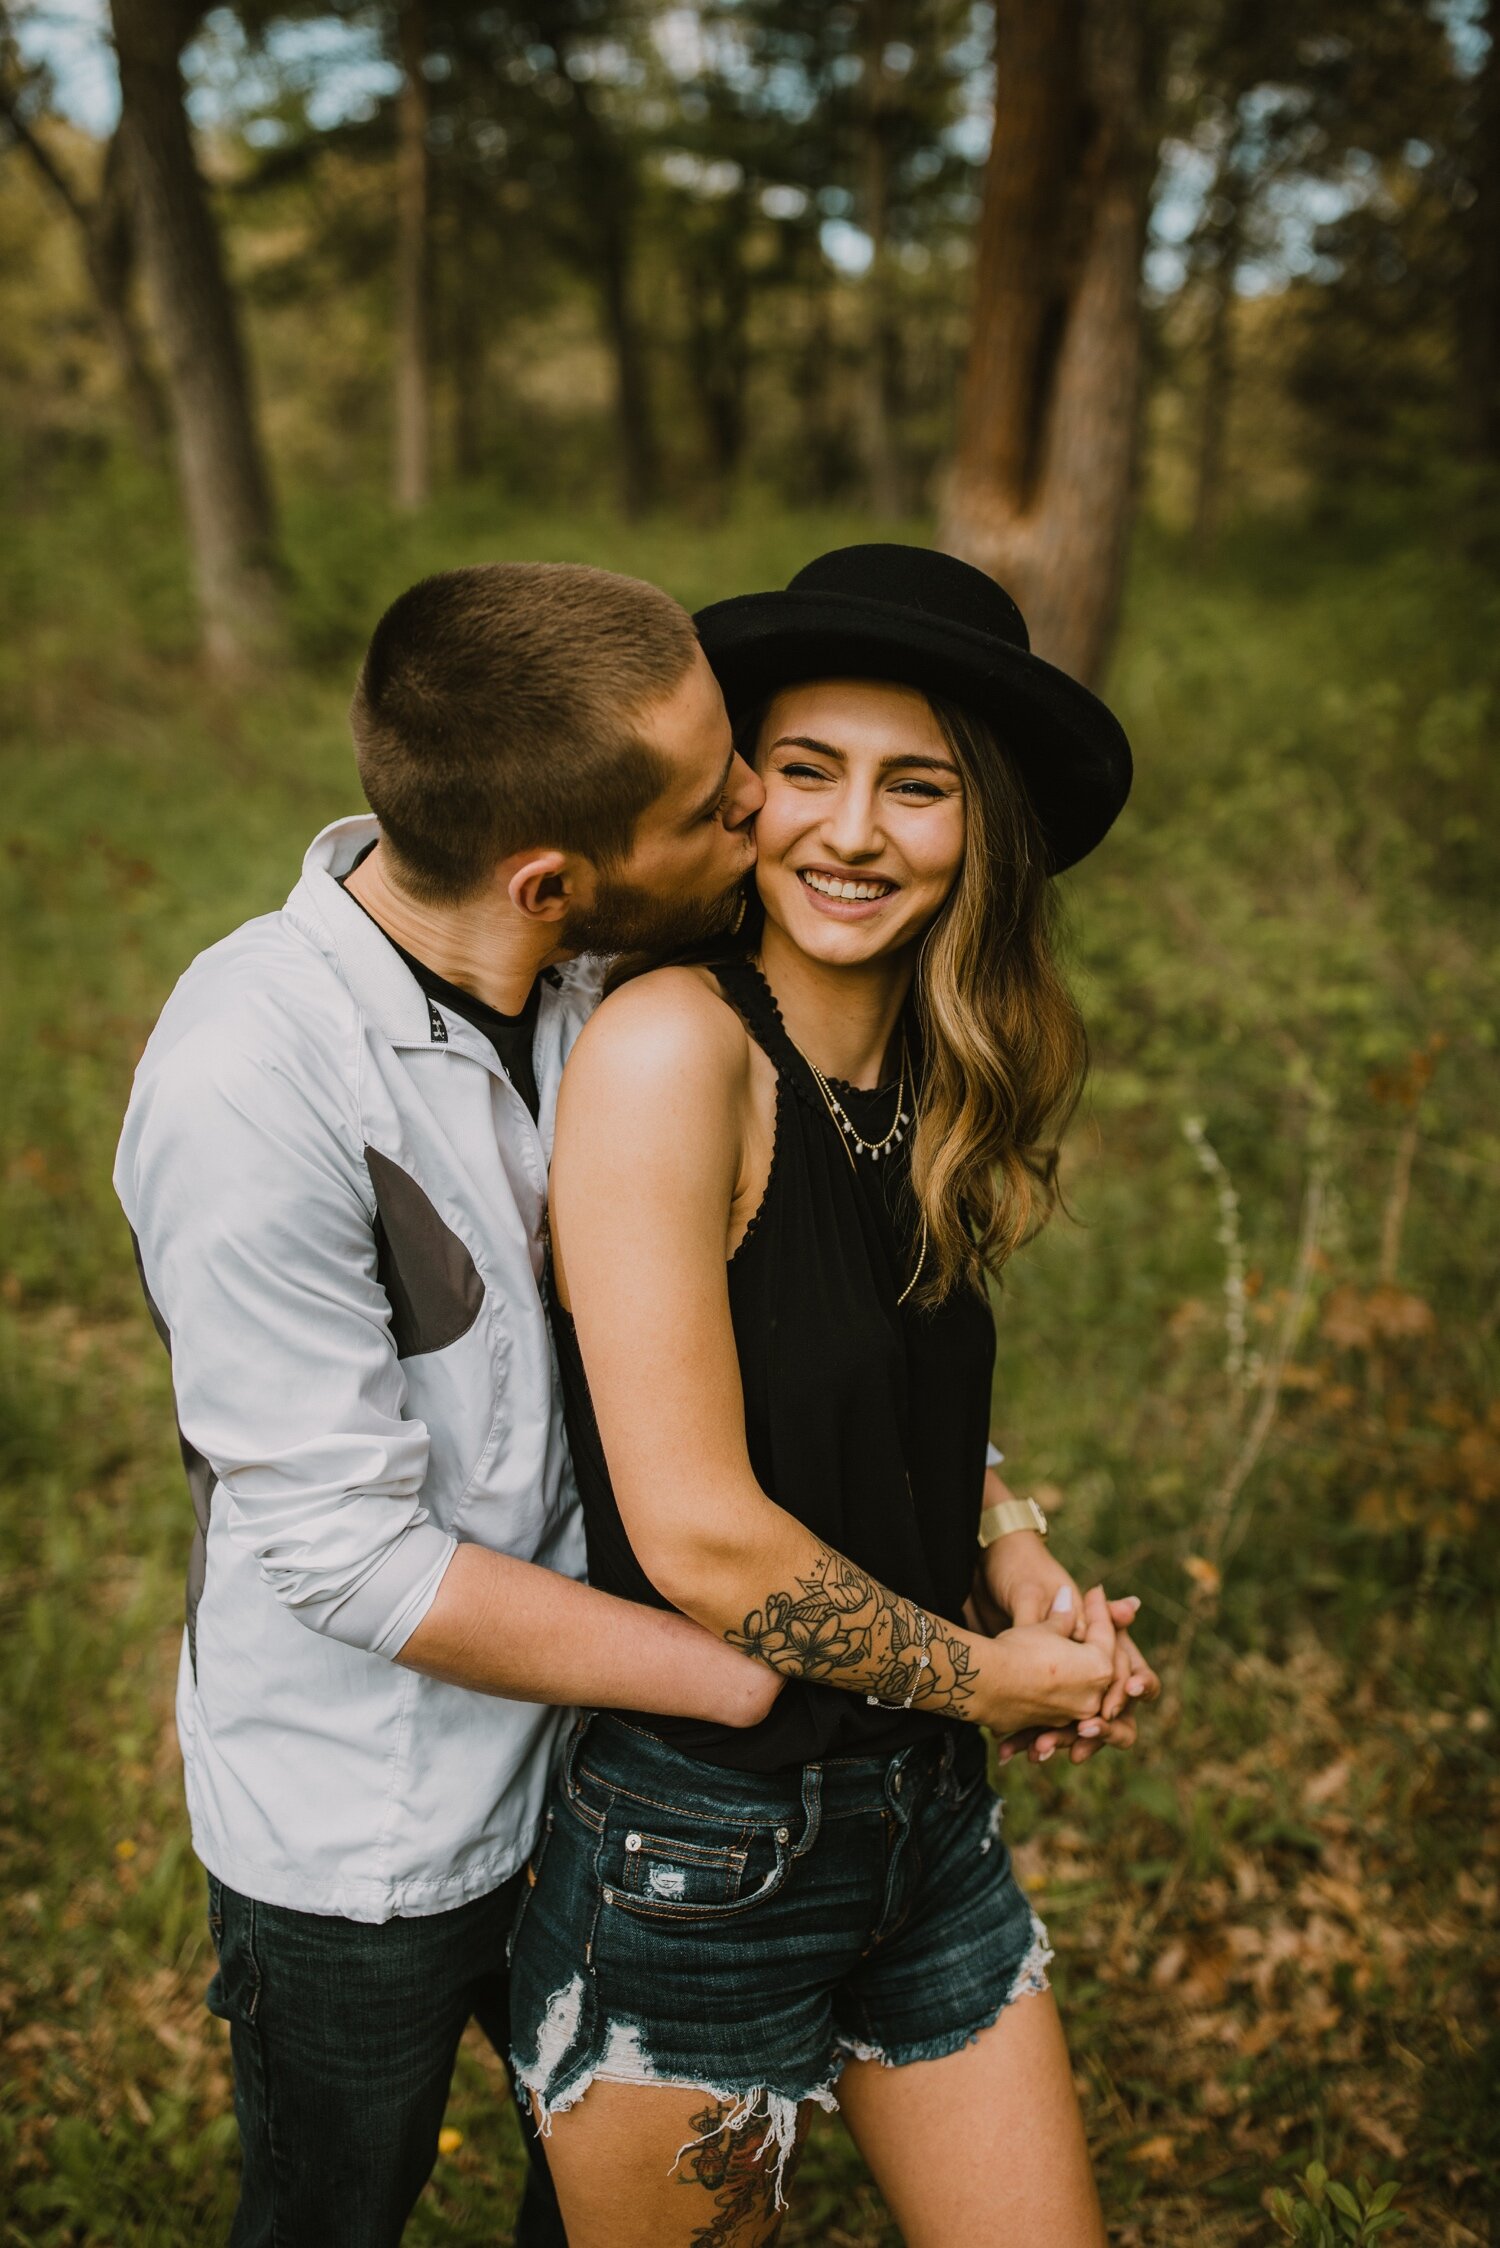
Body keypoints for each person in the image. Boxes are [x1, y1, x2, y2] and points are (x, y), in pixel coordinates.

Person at [113, 561, 780, 2248]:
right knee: (334, 2212)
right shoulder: (246, 1081)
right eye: (716, 804)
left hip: (612, 1780)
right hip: (365, 1832)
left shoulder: (633, 988)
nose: (761, 812)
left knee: (626, 2202)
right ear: (550, 880)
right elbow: (347, 1558)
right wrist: (739, 1677)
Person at [508, 543, 1162, 2248]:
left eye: (917, 787)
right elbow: (704, 1537)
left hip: (921, 1827)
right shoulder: (675, 1053)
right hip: (699, 1851)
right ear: (745, 795)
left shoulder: (928, 1071)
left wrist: (1009, 1542)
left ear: (983, 829)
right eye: (807, 772)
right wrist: (985, 1681)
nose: (853, 833)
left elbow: (874, 1375)